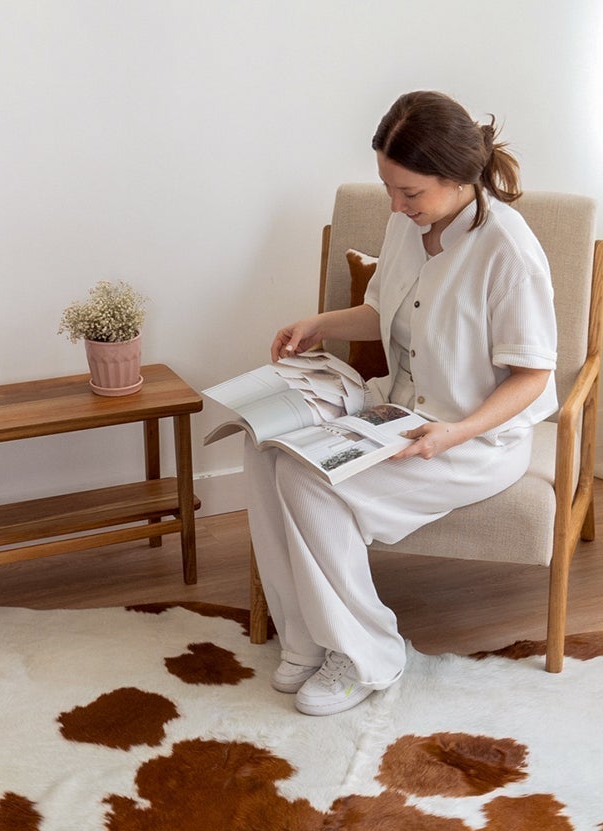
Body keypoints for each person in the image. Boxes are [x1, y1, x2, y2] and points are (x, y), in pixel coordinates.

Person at [248, 90, 559, 716]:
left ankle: (367, 656)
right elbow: (388, 312)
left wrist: (457, 432)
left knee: (308, 482)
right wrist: (321, 324)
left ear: (458, 178)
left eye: (409, 193)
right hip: (396, 412)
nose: (394, 205)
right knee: (266, 450)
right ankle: (306, 640)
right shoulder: (406, 225)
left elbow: (532, 377)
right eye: (389, 188)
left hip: (471, 440)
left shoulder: (509, 253)